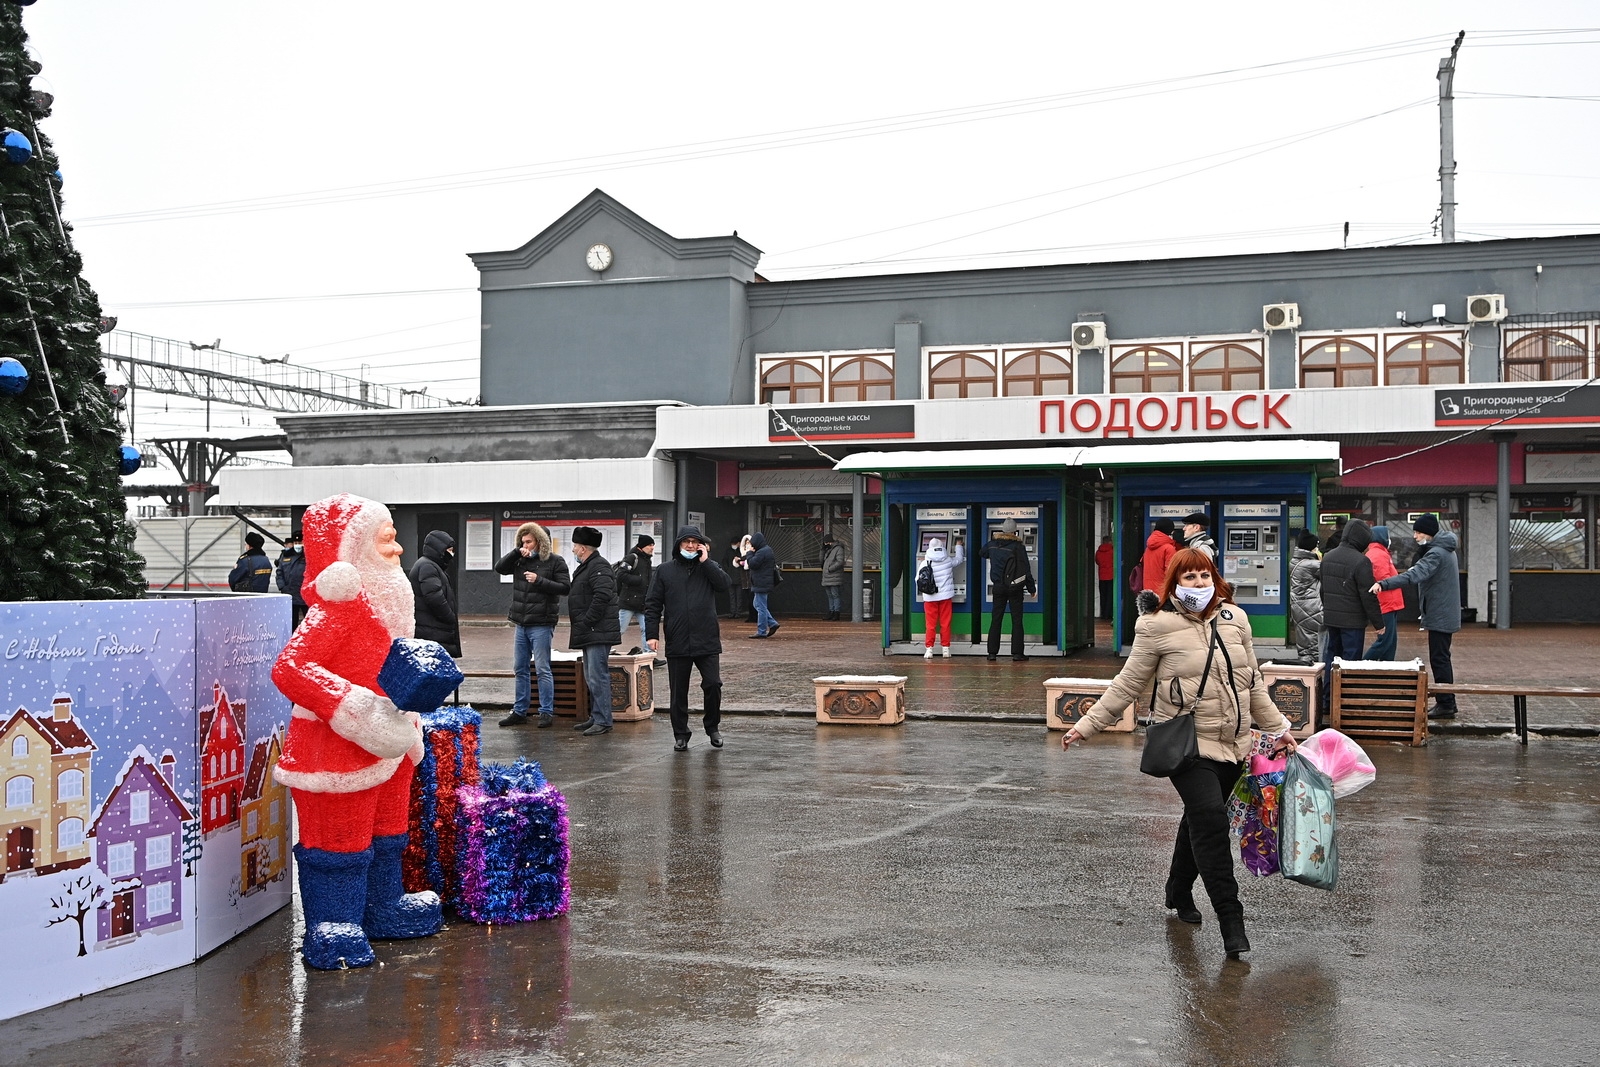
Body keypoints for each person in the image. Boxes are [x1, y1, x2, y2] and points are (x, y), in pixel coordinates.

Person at [1061, 547, 1297, 959]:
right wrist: (1087, 723)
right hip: (1187, 744)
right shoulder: (1156, 625)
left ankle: (1177, 889)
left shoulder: (1235, 619)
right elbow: (1128, 683)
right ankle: (1231, 918)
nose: (1199, 584)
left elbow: (1254, 683)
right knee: (1209, 818)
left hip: (1235, 744)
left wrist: (1278, 728)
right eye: (1189, 578)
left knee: (1198, 819)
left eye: (1204, 576)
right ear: (1174, 583)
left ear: (1214, 580)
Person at [270, 493, 442, 970]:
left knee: (387, 832)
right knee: (338, 840)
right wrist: (352, 708)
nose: (399, 551)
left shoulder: (389, 606)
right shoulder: (338, 608)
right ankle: (333, 926)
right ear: (355, 546)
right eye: (388, 540)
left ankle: (382, 908)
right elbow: (291, 668)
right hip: (336, 747)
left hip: (395, 741)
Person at [645, 525, 732, 751]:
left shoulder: (709, 568)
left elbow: (724, 585)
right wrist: (652, 634)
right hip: (678, 639)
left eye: (695, 542)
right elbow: (653, 604)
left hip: (707, 639)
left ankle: (712, 727)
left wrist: (707, 562)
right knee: (678, 691)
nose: (691, 546)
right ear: (679, 544)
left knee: (713, 684)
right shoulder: (664, 571)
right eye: (687, 542)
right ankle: (680, 734)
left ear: (701, 546)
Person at [1372, 514, 1460, 719]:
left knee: (1439, 659)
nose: (1415, 536)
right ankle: (1447, 701)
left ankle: (1446, 703)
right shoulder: (1443, 549)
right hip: (1443, 611)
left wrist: (1384, 584)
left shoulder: (1436, 553)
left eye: (1418, 532)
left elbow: (1414, 574)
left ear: (1429, 533)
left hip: (1441, 613)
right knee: (1442, 657)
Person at [493, 522, 570, 728]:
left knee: (542, 668)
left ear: (540, 542)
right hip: (521, 622)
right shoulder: (519, 560)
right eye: (522, 541)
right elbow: (500, 568)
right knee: (520, 668)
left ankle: (546, 712)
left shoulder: (555, 561)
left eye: (529, 541)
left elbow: (564, 587)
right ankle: (520, 711)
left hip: (542, 623)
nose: (525, 545)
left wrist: (540, 580)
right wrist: (516, 553)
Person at [1319, 518, 1383, 708]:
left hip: (1332, 618)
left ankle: (1327, 700)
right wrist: (1379, 623)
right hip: (1352, 622)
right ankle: (1345, 702)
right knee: (1350, 661)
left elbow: (1323, 591)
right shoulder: (1361, 561)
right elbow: (1368, 595)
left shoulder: (1327, 557)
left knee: (1332, 657)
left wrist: (1330, 610)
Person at [567, 526, 621, 736]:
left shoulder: (598, 566)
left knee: (598, 676)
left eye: (574, 547)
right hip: (591, 631)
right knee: (591, 676)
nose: (572, 551)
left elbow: (602, 596)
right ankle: (596, 716)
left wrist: (587, 621)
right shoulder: (590, 566)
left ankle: (604, 720)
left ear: (582, 548)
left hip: (597, 631)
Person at [980, 518, 1034, 662]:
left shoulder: (992, 545)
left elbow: (982, 553)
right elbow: (1026, 569)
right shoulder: (1018, 547)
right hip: (1015, 587)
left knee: (996, 619)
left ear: (1002, 530)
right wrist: (1031, 588)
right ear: (1015, 531)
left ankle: (992, 653)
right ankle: (1017, 653)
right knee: (1017, 620)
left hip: (998, 587)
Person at [408, 530, 461, 658]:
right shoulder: (428, 566)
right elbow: (434, 597)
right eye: (448, 550)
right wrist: (450, 618)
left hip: (433, 630)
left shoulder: (429, 565)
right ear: (438, 549)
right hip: (433, 632)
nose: (451, 553)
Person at [1362, 525, 1403, 661]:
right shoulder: (1378, 554)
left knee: (1390, 643)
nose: (1389, 539)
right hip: (1386, 602)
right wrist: (1401, 579)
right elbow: (1382, 579)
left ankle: (1387, 670)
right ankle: (1361, 667)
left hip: (1389, 602)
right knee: (1385, 641)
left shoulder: (1380, 553)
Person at [919, 535, 964, 659]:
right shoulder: (948, 560)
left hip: (929, 598)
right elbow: (959, 559)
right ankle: (946, 649)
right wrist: (959, 545)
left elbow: (918, 579)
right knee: (945, 623)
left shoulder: (924, 562)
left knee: (930, 625)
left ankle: (929, 650)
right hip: (945, 597)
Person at [1288, 531, 1323, 665]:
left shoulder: (1295, 561)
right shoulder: (1311, 565)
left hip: (1299, 606)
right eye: (1316, 546)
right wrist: (1320, 559)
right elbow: (1329, 570)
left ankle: (1305, 675)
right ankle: (1313, 677)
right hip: (1311, 607)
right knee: (1314, 646)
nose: (1318, 549)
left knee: (1305, 645)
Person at [616, 534, 656, 646]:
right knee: (619, 629)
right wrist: (638, 580)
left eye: (653, 545)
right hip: (628, 602)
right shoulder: (632, 558)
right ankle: (605, 652)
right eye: (649, 545)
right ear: (641, 547)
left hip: (642, 603)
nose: (652, 547)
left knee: (647, 629)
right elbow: (621, 575)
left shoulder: (647, 560)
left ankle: (648, 654)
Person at [745, 531, 781, 638]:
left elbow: (752, 564)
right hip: (763, 582)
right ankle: (772, 623)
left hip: (761, 583)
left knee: (760, 607)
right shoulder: (767, 550)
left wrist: (749, 553)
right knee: (758, 604)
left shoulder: (761, 552)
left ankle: (761, 631)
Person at [275, 528, 308, 628]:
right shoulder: (286, 556)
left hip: (304, 595)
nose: (298, 544)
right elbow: (279, 572)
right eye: (296, 542)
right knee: (291, 624)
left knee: (307, 624)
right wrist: (282, 587)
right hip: (290, 595)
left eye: (299, 542)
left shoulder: (308, 555)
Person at [1141, 518, 1178, 597]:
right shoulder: (1169, 548)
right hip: (1163, 593)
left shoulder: (1148, 548)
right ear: (1170, 531)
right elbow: (1171, 573)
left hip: (1148, 591)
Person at [820, 536, 846, 620]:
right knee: (830, 595)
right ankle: (831, 611)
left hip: (834, 575)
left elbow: (840, 561)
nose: (826, 544)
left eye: (827, 543)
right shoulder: (828, 550)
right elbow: (821, 560)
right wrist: (822, 550)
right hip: (827, 576)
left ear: (830, 542)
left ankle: (836, 612)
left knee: (835, 595)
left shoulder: (838, 549)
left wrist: (830, 569)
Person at [723, 536, 750, 620]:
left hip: (737, 577)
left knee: (737, 596)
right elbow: (725, 562)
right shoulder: (731, 552)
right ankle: (734, 612)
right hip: (734, 577)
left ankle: (736, 612)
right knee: (734, 596)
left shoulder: (739, 552)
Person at [1094, 535, 1115, 621]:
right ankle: (1108, 614)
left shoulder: (1098, 552)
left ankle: (1103, 614)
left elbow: (1097, 562)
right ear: (1110, 541)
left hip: (1101, 576)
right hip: (1110, 576)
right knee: (1110, 596)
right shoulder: (1113, 551)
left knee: (1103, 595)